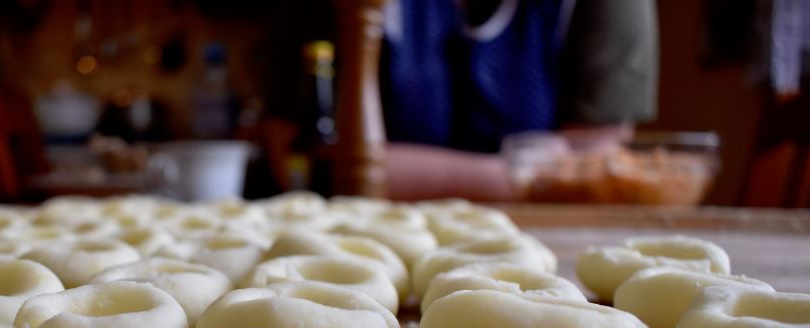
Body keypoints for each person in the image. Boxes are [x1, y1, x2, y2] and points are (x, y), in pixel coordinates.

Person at [263, 0, 659, 201]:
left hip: (548, 237)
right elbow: (302, 163)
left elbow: (594, 161)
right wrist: (519, 173)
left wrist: (388, 167)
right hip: (364, 232)